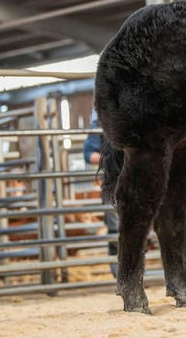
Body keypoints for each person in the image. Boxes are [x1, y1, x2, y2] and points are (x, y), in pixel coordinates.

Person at [83, 113, 119, 277]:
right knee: (114, 227)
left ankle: (137, 270)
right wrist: (113, 159)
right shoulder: (99, 122)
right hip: (112, 180)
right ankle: (119, 274)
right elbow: (89, 154)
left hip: (138, 179)